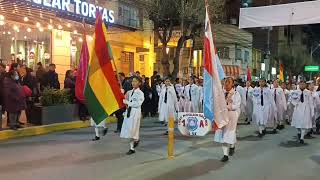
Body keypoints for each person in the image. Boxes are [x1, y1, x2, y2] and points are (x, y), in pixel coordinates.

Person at [214, 77, 241, 162]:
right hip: (222, 116)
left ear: (232, 84)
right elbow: (217, 102)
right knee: (223, 135)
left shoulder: (236, 94)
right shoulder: (221, 93)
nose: (226, 84)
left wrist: (227, 107)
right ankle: (225, 155)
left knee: (230, 133)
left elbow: (236, 105)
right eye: (225, 82)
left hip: (232, 115)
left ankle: (232, 146)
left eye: (228, 82)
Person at [120, 76, 145, 155]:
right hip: (129, 112)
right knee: (129, 129)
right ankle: (132, 146)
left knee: (133, 129)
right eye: (132, 81)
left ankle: (134, 143)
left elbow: (137, 104)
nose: (133, 83)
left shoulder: (140, 93)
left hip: (135, 112)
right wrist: (121, 93)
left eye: (135, 81)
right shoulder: (129, 92)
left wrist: (127, 102)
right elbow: (124, 99)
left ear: (139, 83)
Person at [0, 63, 6, 129]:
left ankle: (1, 123)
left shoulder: (5, 75)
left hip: (3, 94)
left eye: (0, 67)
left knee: (3, 109)